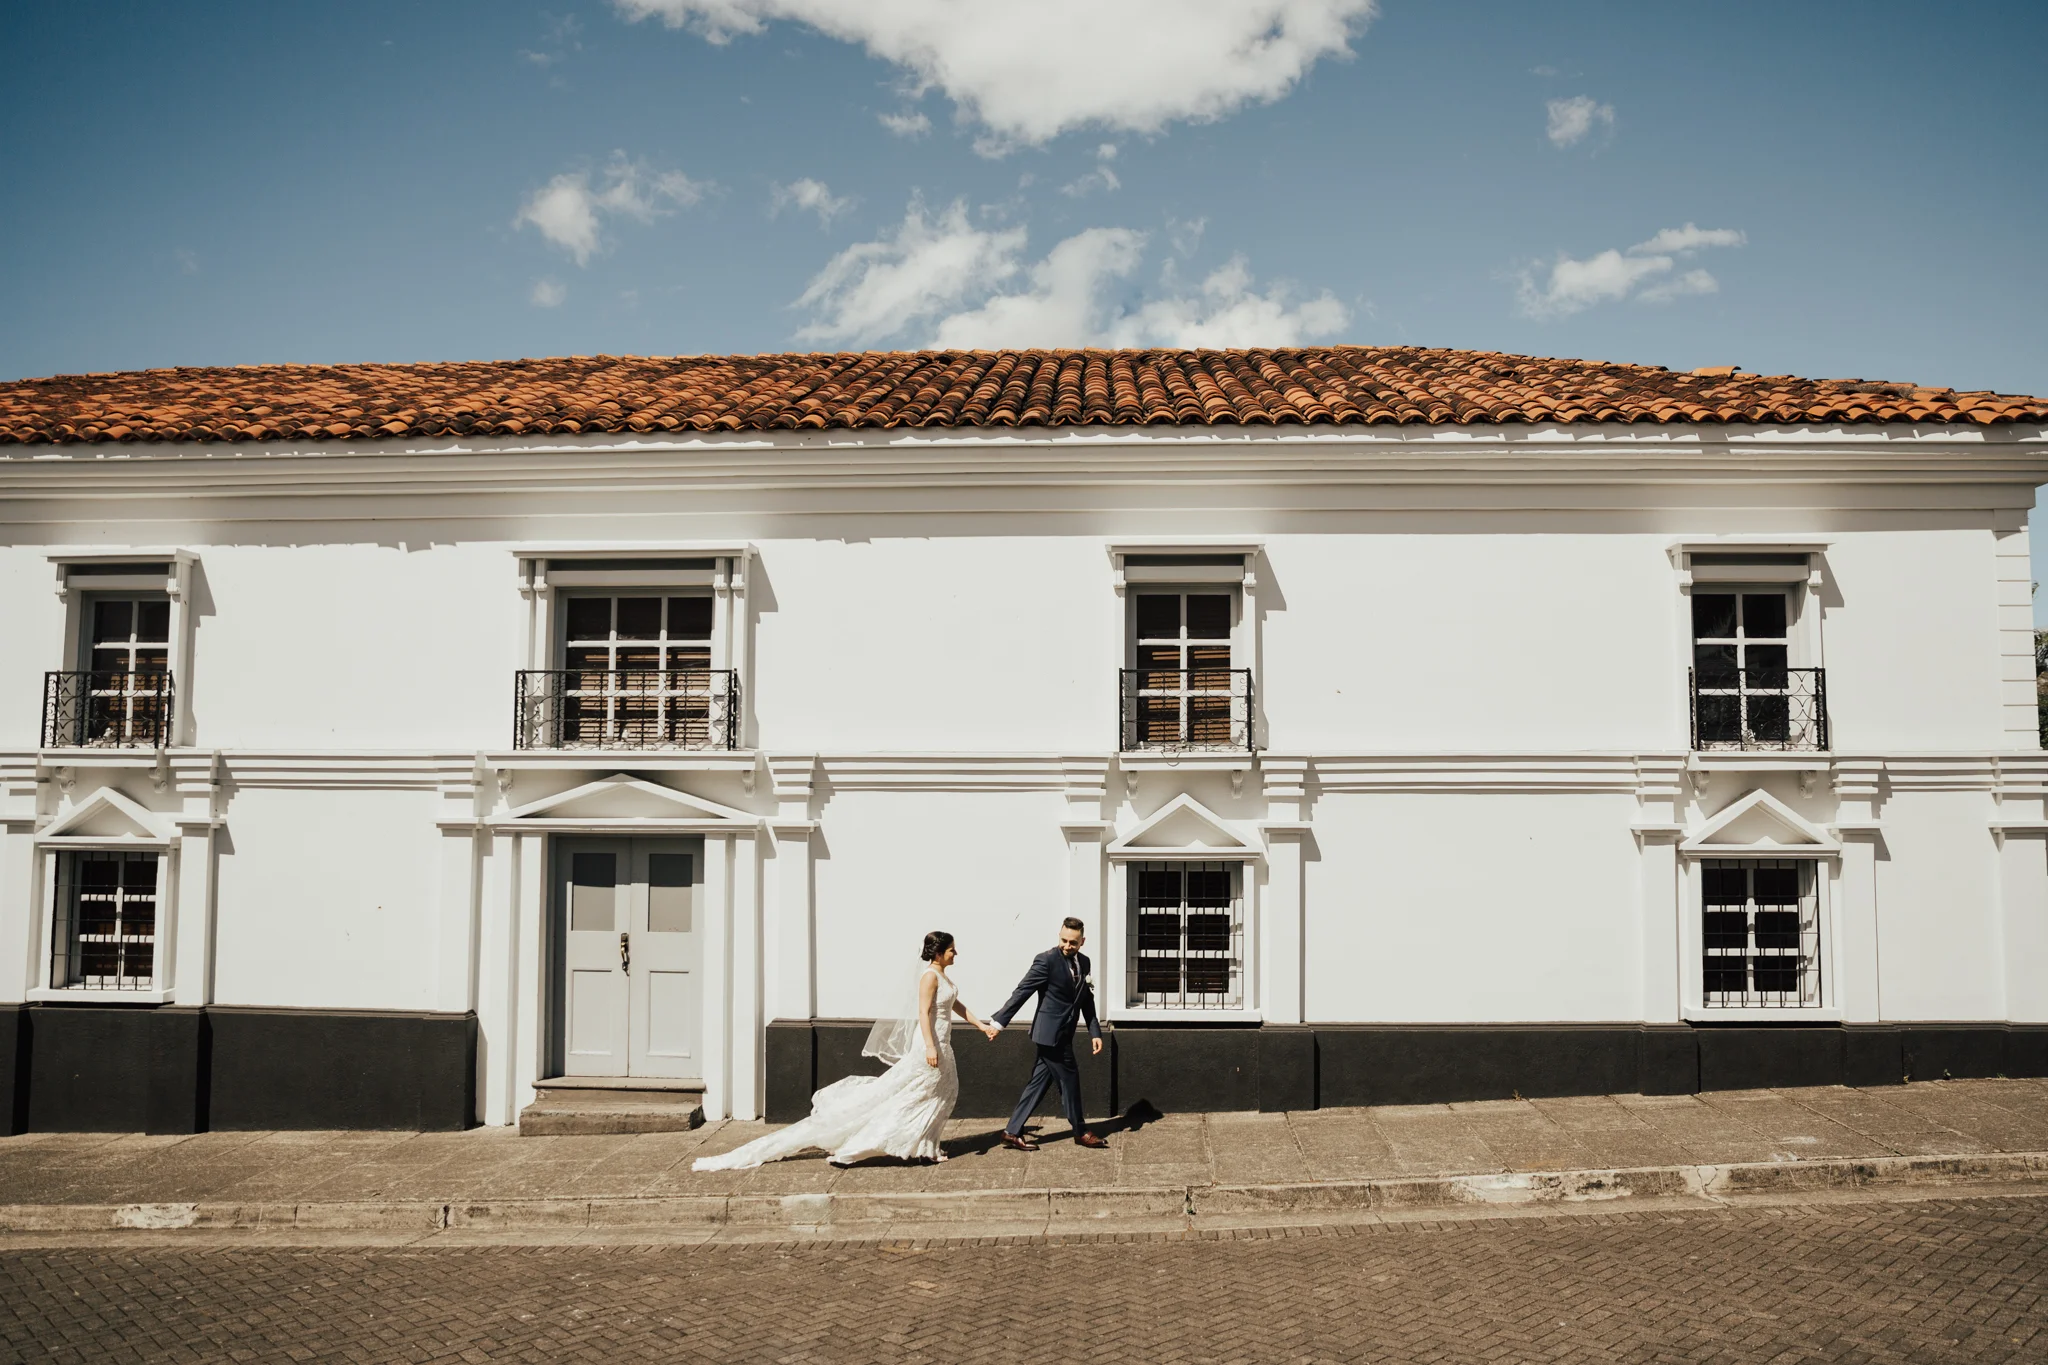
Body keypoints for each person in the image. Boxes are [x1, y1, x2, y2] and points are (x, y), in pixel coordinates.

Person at [692, 930, 999, 1170]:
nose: (955, 953)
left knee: (942, 1093)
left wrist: (982, 1025)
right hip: (930, 1046)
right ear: (939, 953)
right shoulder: (929, 977)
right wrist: (930, 1046)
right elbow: (922, 1013)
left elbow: (957, 1006)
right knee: (911, 1097)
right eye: (951, 949)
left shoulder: (944, 977)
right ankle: (856, 1148)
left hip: (943, 1044)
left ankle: (926, 1147)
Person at [991, 916, 1108, 1151]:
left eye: (1073, 942)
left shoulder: (1084, 962)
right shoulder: (1045, 960)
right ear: (1059, 936)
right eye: (1064, 940)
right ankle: (1081, 1131)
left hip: (1065, 1033)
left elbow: (1086, 999)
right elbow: (1022, 991)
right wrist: (999, 1022)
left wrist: (1094, 1031)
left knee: (1038, 1082)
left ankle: (1012, 1132)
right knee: (1070, 1080)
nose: (1067, 946)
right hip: (1050, 1034)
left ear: (1082, 941)